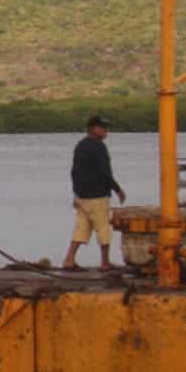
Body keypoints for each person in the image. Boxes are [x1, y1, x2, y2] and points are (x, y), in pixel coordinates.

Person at [62, 116, 127, 270]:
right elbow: (105, 172)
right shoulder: (98, 146)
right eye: (102, 127)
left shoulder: (81, 145)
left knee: (81, 227)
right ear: (92, 128)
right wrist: (118, 190)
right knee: (103, 227)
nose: (106, 130)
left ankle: (69, 260)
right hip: (97, 195)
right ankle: (105, 262)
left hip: (82, 195)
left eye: (106, 127)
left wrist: (76, 193)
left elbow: (74, 172)